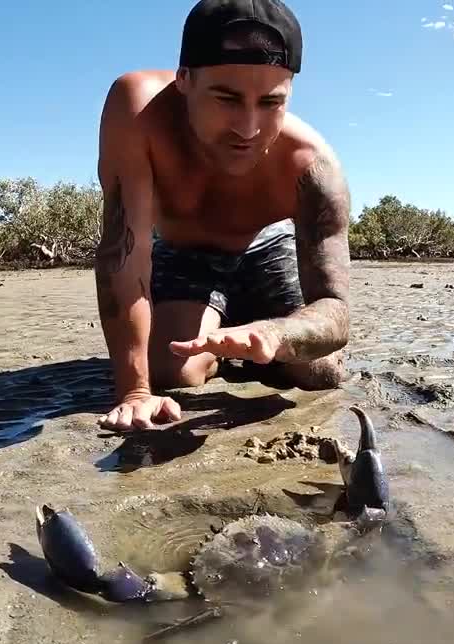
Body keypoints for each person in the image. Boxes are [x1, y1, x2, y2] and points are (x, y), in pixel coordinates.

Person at [94, 0, 352, 432]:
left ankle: (242, 335)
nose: (247, 128)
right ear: (185, 79)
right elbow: (125, 249)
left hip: (267, 247)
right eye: (227, 98)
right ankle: (214, 338)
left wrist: (277, 334)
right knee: (173, 373)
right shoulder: (137, 110)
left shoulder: (312, 166)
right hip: (183, 250)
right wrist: (134, 391)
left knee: (321, 373)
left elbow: (335, 310)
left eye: (270, 102)